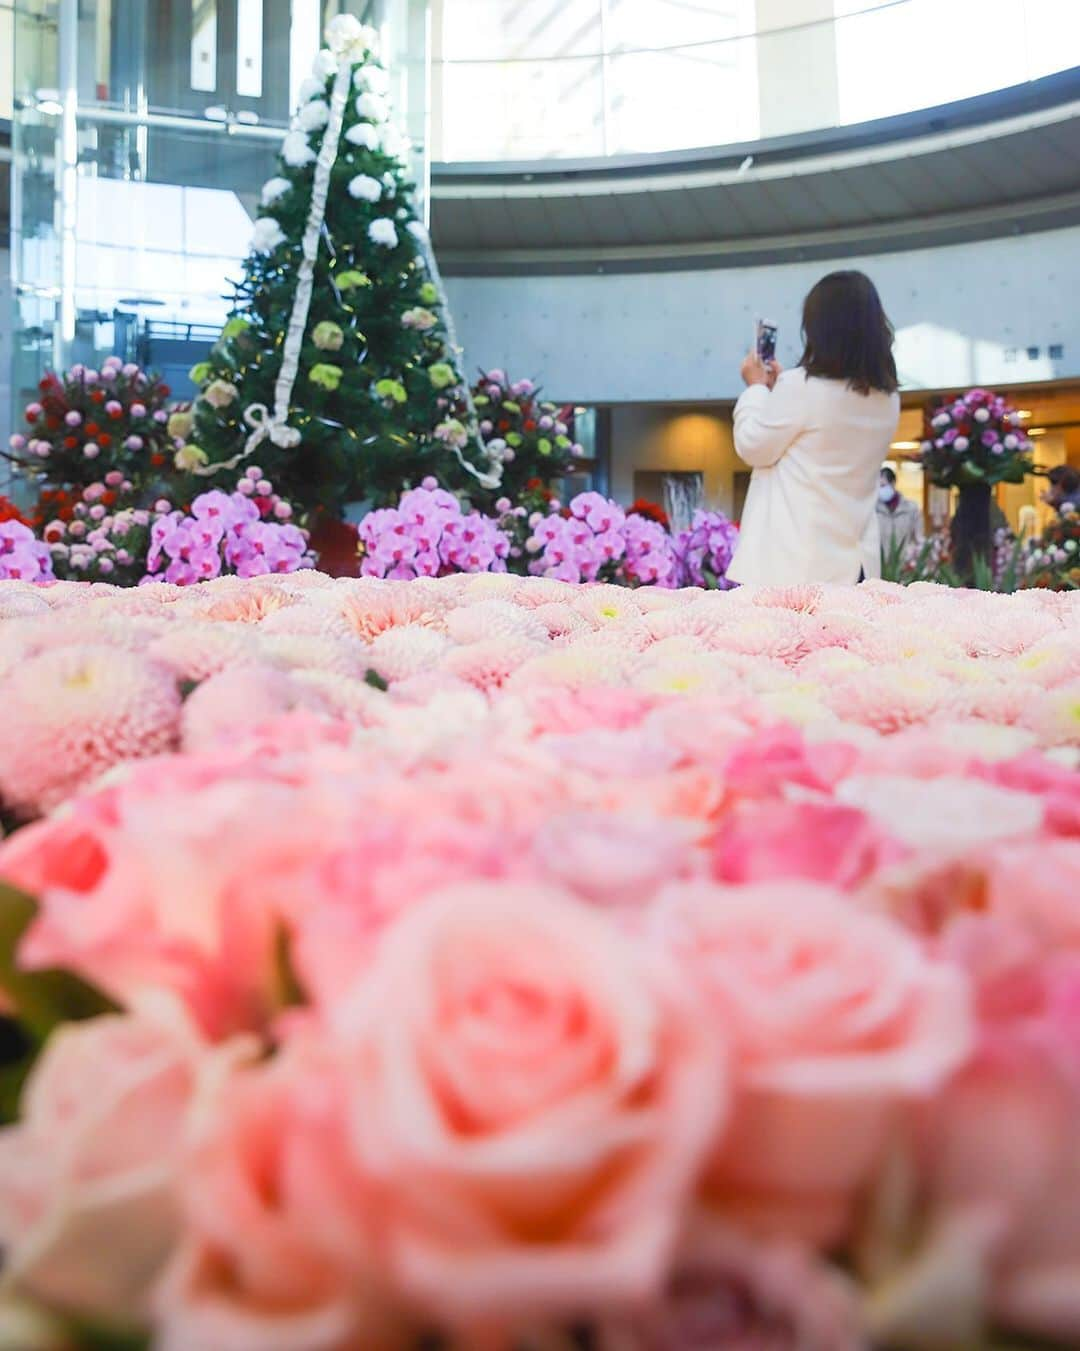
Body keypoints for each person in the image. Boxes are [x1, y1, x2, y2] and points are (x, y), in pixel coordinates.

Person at [727, 270, 901, 586]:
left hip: (795, 566)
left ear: (819, 329)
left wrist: (756, 388)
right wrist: (778, 391)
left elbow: (752, 446)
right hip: (856, 567)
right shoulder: (888, 399)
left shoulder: (800, 388)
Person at [877, 466, 923, 554]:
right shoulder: (873, 510)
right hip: (880, 564)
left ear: (893, 483)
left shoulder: (911, 509)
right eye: (877, 487)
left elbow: (918, 538)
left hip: (903, 564)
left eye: (883, 486)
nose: (880, 490)